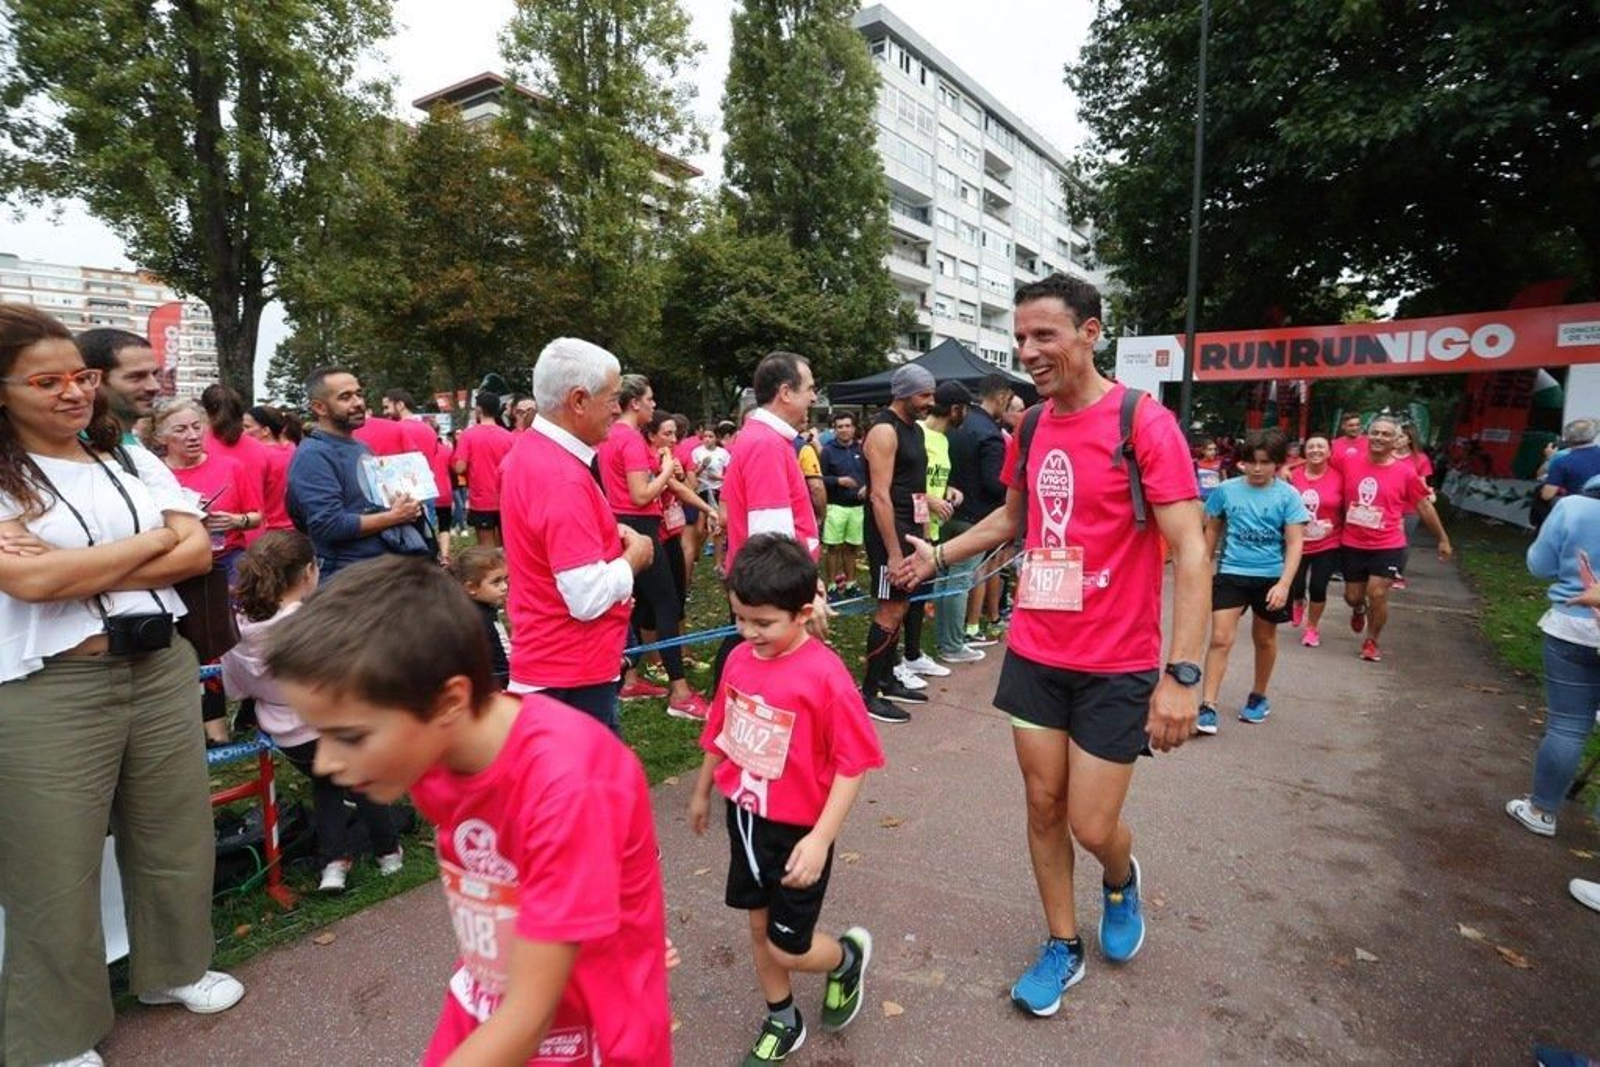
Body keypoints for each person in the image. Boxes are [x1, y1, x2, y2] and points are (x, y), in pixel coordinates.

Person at [896, 273, 1207, 1016]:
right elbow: (1011, 520)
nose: (1029, 351)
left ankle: (1121, 876)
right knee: (1043, 805)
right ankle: (1062, 943)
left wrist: (1184, 675)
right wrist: (934, 557)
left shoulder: (1143, 421)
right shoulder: (1030, 427)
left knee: (1091, 823)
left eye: (1045, 335)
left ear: (1091, 333)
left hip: (1118, 660)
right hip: (1038, 647)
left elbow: (1191, 550)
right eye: (1022, 338)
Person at [265, 556, 671, 1065]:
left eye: (350, 736)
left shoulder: (567, 786)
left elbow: (532, 1013)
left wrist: (633, 936)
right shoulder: (437, 753)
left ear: (448, 701)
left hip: (586, 1037)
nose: (325, 761)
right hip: (487, 1003)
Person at [0, 304, 242, 1066]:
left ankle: (173, 969)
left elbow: (197, 550)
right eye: (48, 380)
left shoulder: (132, 455)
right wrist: (151, 546)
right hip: (51, 683)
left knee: (174, 829)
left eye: (82, 376)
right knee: (52, 861)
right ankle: (54, 1034)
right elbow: (28, 583)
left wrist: (77, 564)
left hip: (158, 662)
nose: (74, 393)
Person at [688, 534, 884, 1064]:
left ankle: (844, 957)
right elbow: (720, 726)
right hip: (745, 821)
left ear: (802, 613)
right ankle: (783, 1017)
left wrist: (821, 839)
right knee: (757, 925)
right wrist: (704, 790)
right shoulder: (739, 658)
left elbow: (854, 763)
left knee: (786, 945)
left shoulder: (825, 677)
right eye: (740, 619)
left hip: (799, 834)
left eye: (762, 623)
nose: (748, 633)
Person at [222, 530, 403, 892]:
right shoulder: (311, 622)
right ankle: (388, 853)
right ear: (308, 572)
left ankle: (333, 864)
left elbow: (233, 689)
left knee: (327, 787)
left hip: (289, 737)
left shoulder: (238, 631)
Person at [500, 338, 653, 733]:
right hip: (571, 677)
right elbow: (585, 598)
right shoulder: (561, 476)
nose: (618, 409)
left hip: (556, 668)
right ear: (579, 400)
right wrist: (634, 557)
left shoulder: (532, 453)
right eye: (613, 398)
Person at [152, 397, 264, 744]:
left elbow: (258, 515)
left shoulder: (231, 466)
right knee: (193, 644)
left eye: (196, 426)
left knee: (236, 638)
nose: (191, 435)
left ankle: (246, 714)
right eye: (180, 429)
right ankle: (205, 723)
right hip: (176, 565)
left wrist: (237, 520)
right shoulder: (153, 474)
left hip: (227, 561)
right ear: (161, 437)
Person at [714, 351, 829, 686]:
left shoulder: (763, 439)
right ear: (785, 392)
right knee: (748, 649)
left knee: (744, 644)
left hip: (760, 577)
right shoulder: (766, 444)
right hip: (770, 582)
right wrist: (807, 590)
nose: (813, 397)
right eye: (809, 388)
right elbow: (771, 542)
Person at [600, 375, 711, 719]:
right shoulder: (630, 440)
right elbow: (641, 494)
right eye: (649, 399)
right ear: (635, 403)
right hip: (641, 526)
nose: (653, 404)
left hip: (622, 525)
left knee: (637, 604)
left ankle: (631, 679)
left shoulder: (609, 437)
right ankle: (679, 693)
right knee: (667, 604)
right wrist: (664, 470)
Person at [1503, 473, 1600, 839]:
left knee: (1568, 725)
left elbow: (1539, 565)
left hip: (1573, 625)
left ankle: (1542, 810)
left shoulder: (1573, 507)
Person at [1194, 428, 1308, 733]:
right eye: (1252, 462)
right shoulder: (1226, 490)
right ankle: (1207, 706)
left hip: (1270, 577)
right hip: (1232, 573)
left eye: (1266, 462)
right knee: (1220, 638)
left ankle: (1258, 697)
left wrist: (1284, 584)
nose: (1258, 469)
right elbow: (1212, 529)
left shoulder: (1288, 496)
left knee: (1265, 638)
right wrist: (1203, 566)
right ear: (1243, 462)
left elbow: (1296, 542)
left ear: (1278, 464)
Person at [286, 366, 425, 582]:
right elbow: (328, 525)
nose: (358, 402)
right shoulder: (313, 455)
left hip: (378, 572)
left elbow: (369, 504)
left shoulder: (361, 447)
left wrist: (403, 505)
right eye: (345, 397)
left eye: (359, 394)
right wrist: (393, 517)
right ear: (319, 407)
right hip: (345, 581)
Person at [1336, 414, 1453, 662]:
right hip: (1353, 542)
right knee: (1352, 596)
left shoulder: (1405, 472)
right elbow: (1318, 465)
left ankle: (1372, 641)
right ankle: (1358, 609)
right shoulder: (1350, 462)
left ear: (1396, 440)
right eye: (1375, 432)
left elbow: (1424, 506)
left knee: (1377, 593)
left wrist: (1442, 538)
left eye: (1386, 434)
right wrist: (1286, 468)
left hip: (1387, 543)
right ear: (1368, 435)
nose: (1379, 437)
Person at [859, 363, 937, 723]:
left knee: (903, 607)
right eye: (924, 395)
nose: (930, 402)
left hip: (911, 530)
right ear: (903, 393)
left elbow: (912, 486)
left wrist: (925, 527)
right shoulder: (883, 431)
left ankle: (889, 680)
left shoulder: (915, 430)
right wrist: (892, 553)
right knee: (890, 609)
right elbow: (879, 496)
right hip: (887, 533)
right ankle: (869, 693)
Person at [901, 380, 970, 689]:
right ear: (955, 409)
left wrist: (950, 492)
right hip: (910, 528)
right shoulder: (916, 433)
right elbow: (901, 483)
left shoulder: (943, 440)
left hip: (933, 529)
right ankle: (895, 663)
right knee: (901, 599)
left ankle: (913, 654)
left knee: (921, 597)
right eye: (965, 409)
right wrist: (928, 500)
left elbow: (935, 480)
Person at [946, 372, 1014, 665]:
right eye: (1008, 402)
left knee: (946, 581)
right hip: (975, 517)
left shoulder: (957, 424)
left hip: (948, 511)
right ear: (1000, 397)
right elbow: (993, 482)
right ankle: (954, 642)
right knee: (962, 581)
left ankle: (949, 638)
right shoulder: (989, 433)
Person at [1288, 433, 1344, 647]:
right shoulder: (1292, 475)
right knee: (1296, 583)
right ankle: (1297, 601)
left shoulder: (1339, 476)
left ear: (1329, 452)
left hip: (1328, 541)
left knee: (1319, 586)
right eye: (1311, 447)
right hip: (1297, 540)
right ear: (1305, 452)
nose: (1316, 451)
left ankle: (1312, 628)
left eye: (1321, 447)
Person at [200, 383, 273, 545]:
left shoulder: (199, 445)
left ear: (204, 411)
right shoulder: (261, 448)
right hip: (257, 535)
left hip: (218, 541)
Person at [78, 327, 162, 445]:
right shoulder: (80, 450)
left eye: (154, 374)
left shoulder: (134, 446)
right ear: (93, 380)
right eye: (137, 377)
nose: (154, 386)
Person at [453, 391, 516, 547]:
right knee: (506, 547)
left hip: (481, 500)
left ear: (479, 410)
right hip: (506, 499)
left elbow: (460, 467)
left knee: (486, 549)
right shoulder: (509, 436)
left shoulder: (468, 436)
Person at [818, 411, 867, 599]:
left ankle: (850, 584)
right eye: (840, 427)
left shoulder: (862, 450)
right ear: (834, 429)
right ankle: (831, 587)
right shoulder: (828, 451)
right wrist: (839, 480)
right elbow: (819, 478)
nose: (844, 430)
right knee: (833, 547)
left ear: (854, 428)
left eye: (847, 426)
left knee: (852, 547)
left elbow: (872, 473)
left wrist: (868, 487)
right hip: (835, 506)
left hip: (857, 506)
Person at [451, 545, 510, 691]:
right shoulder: (482, 619)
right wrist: (507, 680)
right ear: (471, 588)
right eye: (496, 582)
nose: (504, 587)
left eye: (505, 579)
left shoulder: (465, 610)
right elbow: (498, 657)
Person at [1390, 422, 1435, 590]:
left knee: (1403, 540)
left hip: (1410, 507)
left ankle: (1397, 573)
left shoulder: (1420, 459)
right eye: (1396, 436)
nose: (1397, 440)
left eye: (1401, 436)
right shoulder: (1388, 455)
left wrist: (1429, 492)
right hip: (1390, 505)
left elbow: (1422, 483)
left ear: (1409, 439)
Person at [242, 404, 298, 533]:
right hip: (294, 528)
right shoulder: (293, 449)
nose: (242, 432)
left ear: (265, 430)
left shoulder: (258, 456)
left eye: (247, 427)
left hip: (267, 530)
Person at [1539, 418, 1600, 504]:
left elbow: (1547, 495)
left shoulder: (1561, 461)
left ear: (1567, 437)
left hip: (1578, 508)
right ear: (1593, 435)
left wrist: (1549, 459)